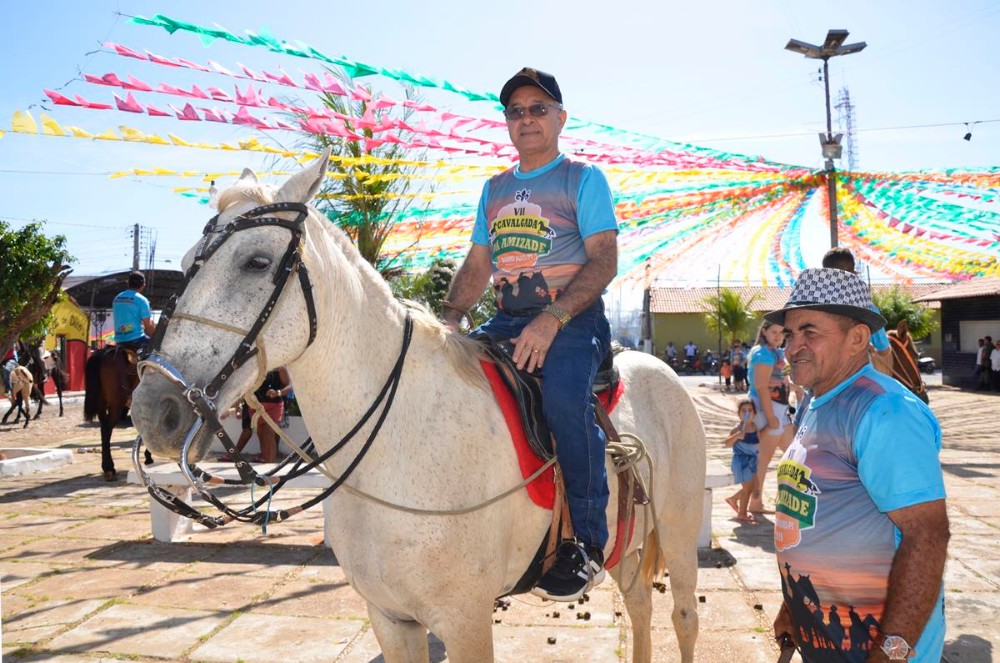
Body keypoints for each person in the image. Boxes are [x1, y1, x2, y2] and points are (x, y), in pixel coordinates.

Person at [441, 67, 618, 602]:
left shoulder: (583, 178)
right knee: (444, 383)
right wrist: (448, 318)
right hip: (505, 319)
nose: (527, 119)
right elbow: (478, 265)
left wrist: (553, 319)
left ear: (561, 118)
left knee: (563, 400)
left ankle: (587, 543)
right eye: (516, 111)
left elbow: (604, 260)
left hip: (573, 320)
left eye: (538, 109)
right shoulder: (493, 189)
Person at [768, 267, 949, 663]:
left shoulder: (885, 411)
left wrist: (892, 651)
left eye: (810, 332)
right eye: (790, 334)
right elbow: (819, 519)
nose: (793, 347)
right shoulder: (818, 402)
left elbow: (927, 535)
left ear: (857, 338)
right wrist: (794, 606)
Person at [747, 320, 793, 513]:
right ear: (764, 331)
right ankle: (755, 503)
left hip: (780, 410)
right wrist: (770, 416)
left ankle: (785, 498)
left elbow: (783, 379)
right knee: (763, 460)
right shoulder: (763, 354)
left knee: (794, 455)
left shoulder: (776, 353)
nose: (778, 336)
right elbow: (761, 386)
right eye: (774, 331)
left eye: (781, 333)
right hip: (768, 410)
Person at [821, 248, 892, 373]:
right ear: (854, 275)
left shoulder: (812, 305)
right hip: (857, 378)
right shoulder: (867, 308)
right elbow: (884, 351)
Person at [722, 399, 759, 524]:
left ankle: (733, 499)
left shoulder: (755, 428)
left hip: (752, 460)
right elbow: (727, 443)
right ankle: (742, 514)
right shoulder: (737, 429)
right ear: (739, 414)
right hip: (741, 461)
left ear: (754, 413)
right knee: (747, 488)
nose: (747, 413)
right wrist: (737, 435)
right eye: (743, 411)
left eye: (750, 410)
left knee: (754, 487)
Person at [249, 367, 291, 463]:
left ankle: (270, 465)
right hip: (256, 405)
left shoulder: (280, 368)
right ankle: (266, 464)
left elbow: (289, 386)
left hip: (274, 406)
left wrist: (277, 393)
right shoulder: (256, 365)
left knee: (268, 434)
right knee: (261, 436)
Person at [112, 271, 155, 351]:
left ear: (128, 283)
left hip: (119, 340)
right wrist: (156, 338)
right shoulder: (142, 300)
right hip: (136, 340)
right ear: (143, 285)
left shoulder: (117, 298)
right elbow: (148, 328)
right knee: (158, 353)